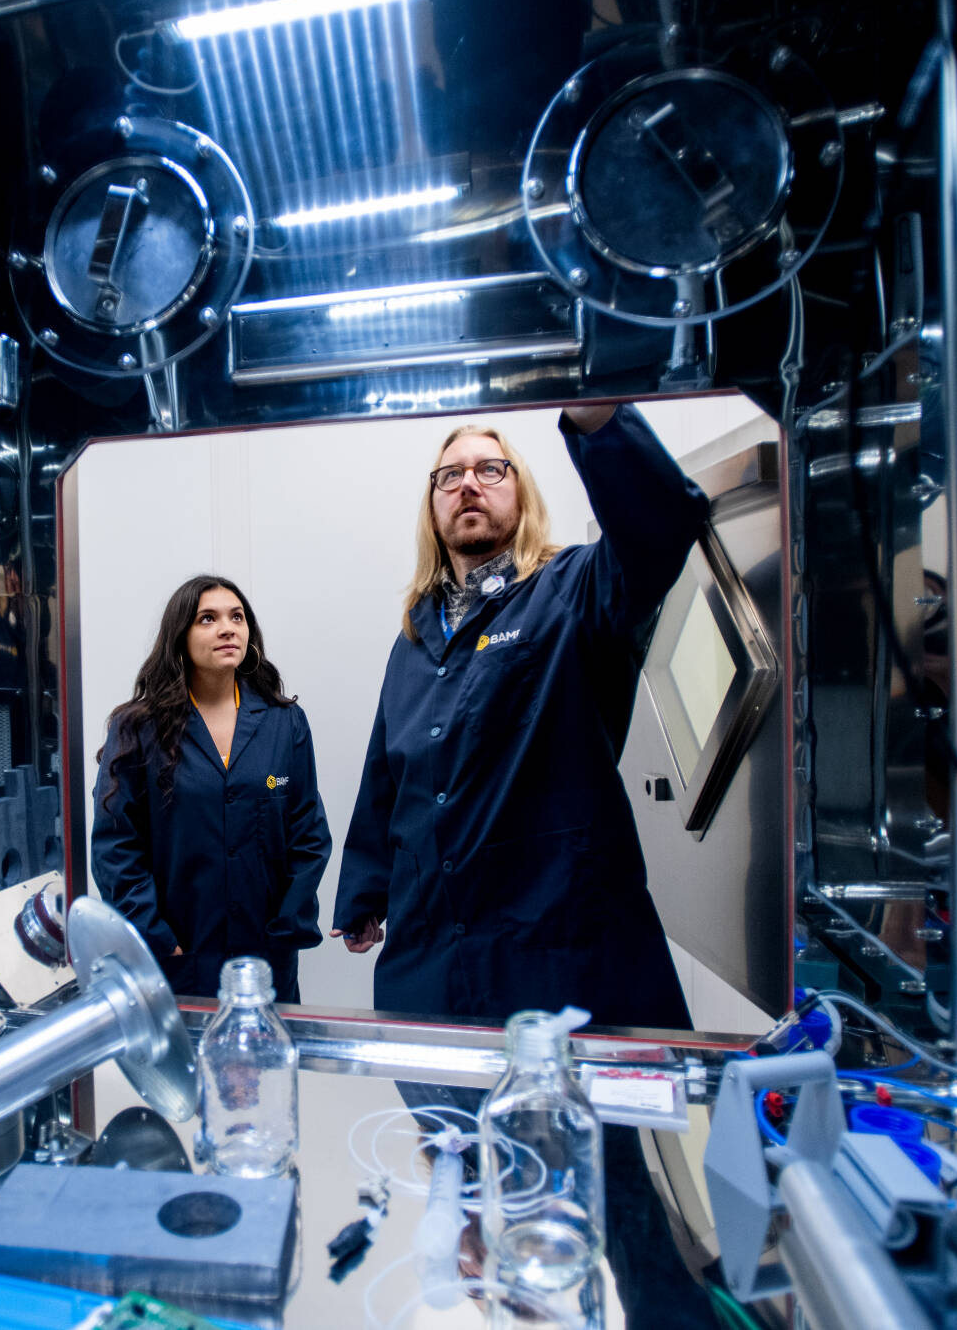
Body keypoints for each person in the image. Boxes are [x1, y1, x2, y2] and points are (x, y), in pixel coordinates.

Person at [330, 404, 715, 1328]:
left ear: (522, 493)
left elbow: (662, 526)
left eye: (491, 468)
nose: (468, 482)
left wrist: (600, 419)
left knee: (628, 1226)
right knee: (476, 1222)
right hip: (431, 981)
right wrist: (365, 887)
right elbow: (388, 773)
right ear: (433, 506)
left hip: (565, 970)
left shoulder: (576, 592)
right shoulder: (414, 638)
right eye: (450, 473)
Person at [91, 575, 331, 1001]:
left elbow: (307, 831)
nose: (227, 628)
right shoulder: (137, 727)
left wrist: (287, 927)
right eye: (207, 618)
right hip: (179, 956)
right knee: (184, 1067)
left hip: (265, 958)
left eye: (237, 617)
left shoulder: (284, 722)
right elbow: (116, 846)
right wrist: (155, 934)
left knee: (267, 1063)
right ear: (179, 637)